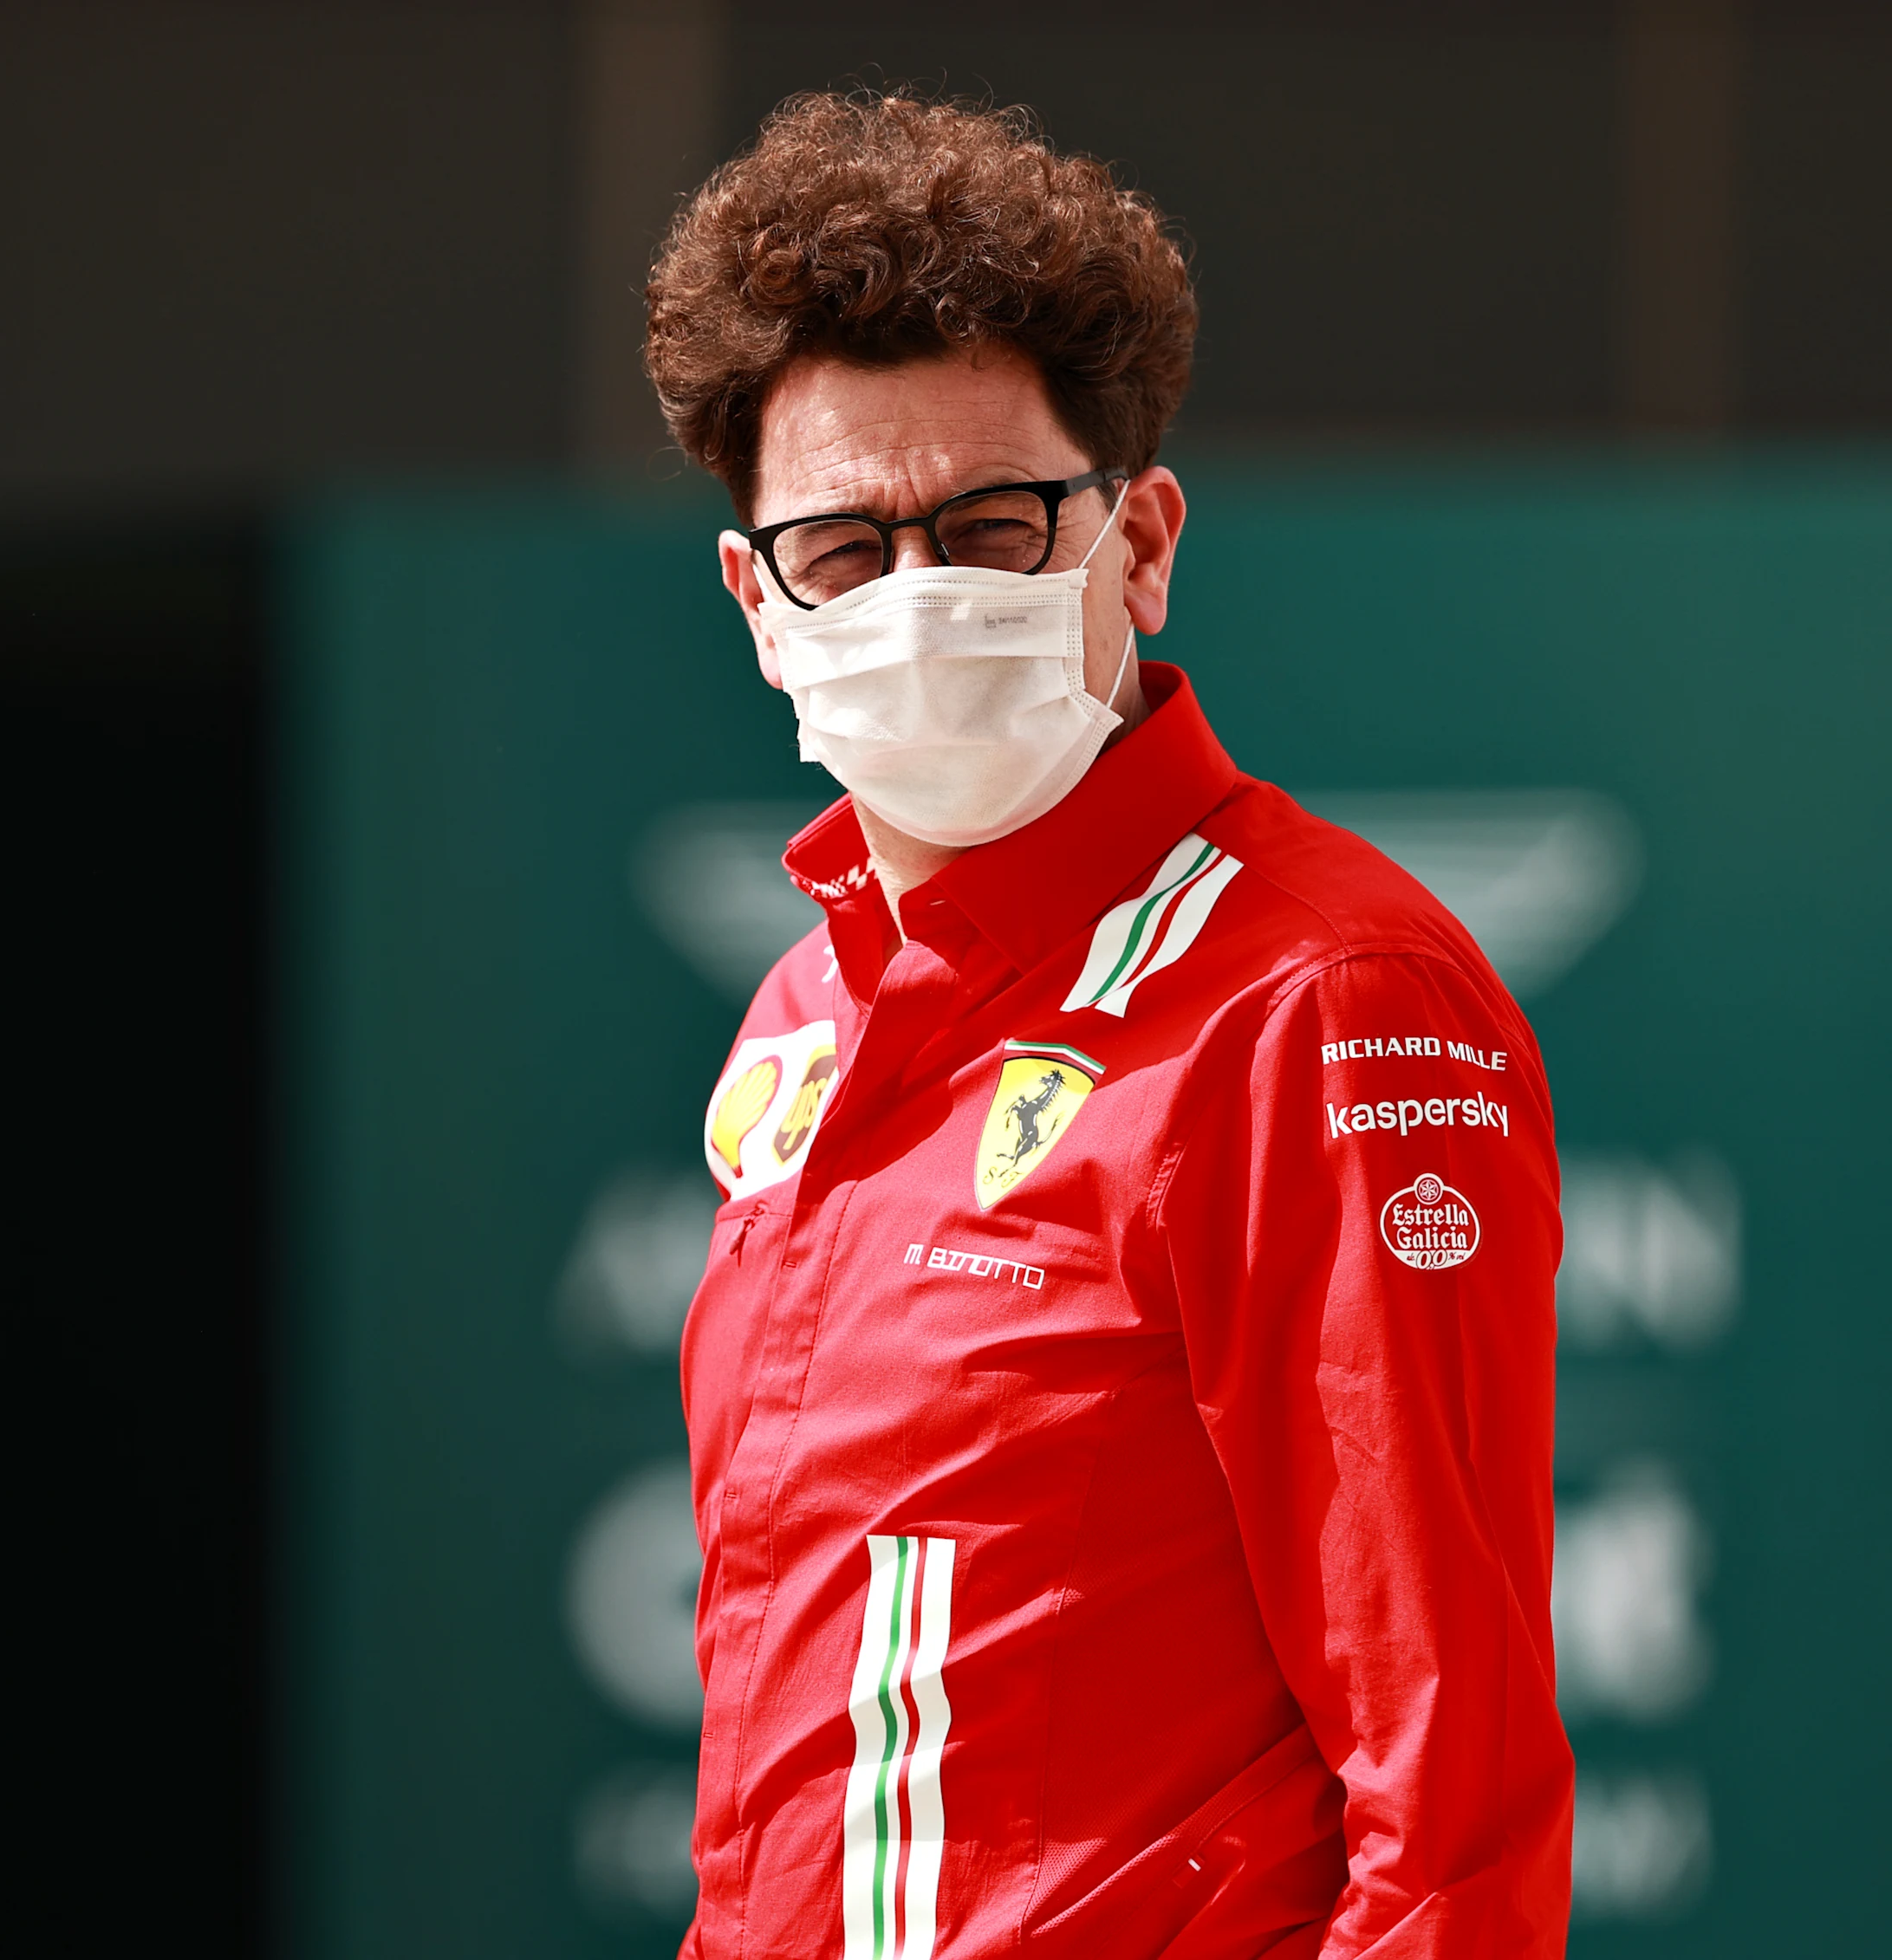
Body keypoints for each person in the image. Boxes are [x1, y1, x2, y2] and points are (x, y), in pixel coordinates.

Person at [646, 93, 1572, 1958]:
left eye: (990, 527)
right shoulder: (806, 1006)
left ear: (1136, 544)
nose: (918, 602)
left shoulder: (1320, 1003)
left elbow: (1448, 1809)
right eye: (842, 550)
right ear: (758, 600)